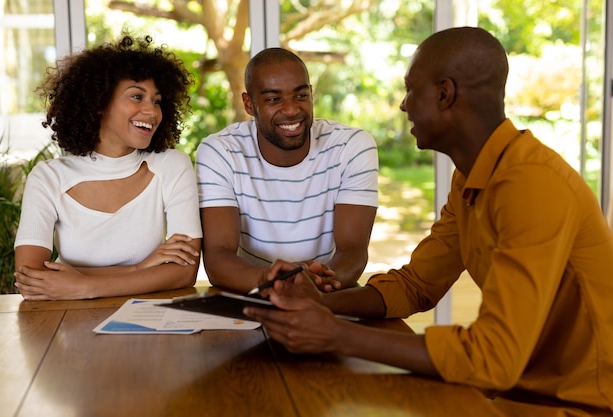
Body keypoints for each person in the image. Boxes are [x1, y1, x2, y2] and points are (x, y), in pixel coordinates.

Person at [244, 27, 613, 412]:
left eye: (410, 89)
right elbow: (417, 285)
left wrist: (337, 335)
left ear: (444, 94)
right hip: (513, 395)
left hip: (580, 406)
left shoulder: (531, 184)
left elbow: (493, 358)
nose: (404, 105)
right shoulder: (471, 177)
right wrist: (321, 303)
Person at [13, 34, 202, 300]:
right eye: (137, 96)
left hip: (148, 322)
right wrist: (140, 269)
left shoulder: (172, 166)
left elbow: (184, 273)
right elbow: (30, 278)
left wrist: (82, 285)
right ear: (99, 103)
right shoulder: (49, 177)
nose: (152, 111)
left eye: (157, 101)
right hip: (67, 324)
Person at [195, 47, 379, 294]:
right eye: (273, 99)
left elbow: (353, 250)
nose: (291, 109)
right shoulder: (220, 152)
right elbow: (218, 257)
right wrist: (275, 281)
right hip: (250, 293)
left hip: (327, 294)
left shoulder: (351, 147)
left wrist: (315, 286)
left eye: (300, 96)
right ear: (249, 104)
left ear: (311, 94)